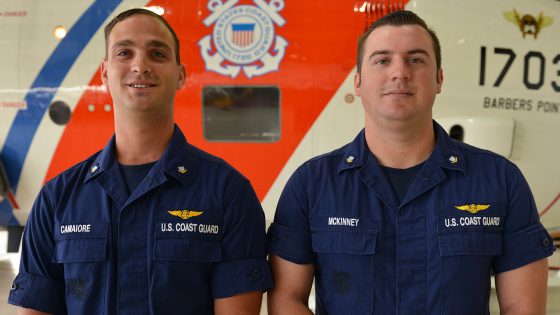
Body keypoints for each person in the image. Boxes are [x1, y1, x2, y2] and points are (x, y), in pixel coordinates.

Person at [267, 10, 554, 315]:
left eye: (415, 60)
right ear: (358, 83)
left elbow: (523, 307)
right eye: (382, 60)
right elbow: (287, 299)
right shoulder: (311, 185)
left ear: (439, 79)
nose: (399, 72)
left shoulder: (500, 180)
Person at [8, 8, 272, 315]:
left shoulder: (229, 194)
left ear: (181, 75)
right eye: (124, 52)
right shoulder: (57, 199)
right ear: (105, 73)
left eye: (157, 54)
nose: (140, 65)